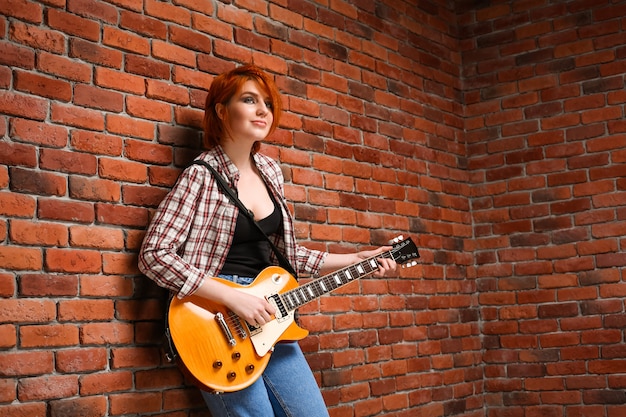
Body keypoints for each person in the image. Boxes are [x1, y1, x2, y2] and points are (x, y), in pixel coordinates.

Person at [138, 64, 397, 417]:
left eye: (268, 103)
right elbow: (154, 254)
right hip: (216, 318)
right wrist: (234, 297)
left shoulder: (271, 171)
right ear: (221, 110)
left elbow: (291, 257)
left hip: (272, 312)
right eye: (249, 100)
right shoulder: (202, 174)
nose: (263, 110)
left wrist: (359, 258)